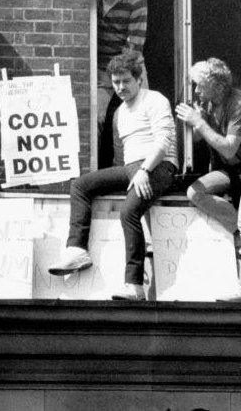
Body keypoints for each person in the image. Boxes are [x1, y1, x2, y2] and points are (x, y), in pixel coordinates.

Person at [47, 50, 176, 301]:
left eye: (126, 81)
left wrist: (144, 171)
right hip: (132, 169)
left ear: (139, 79)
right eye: (116, 82)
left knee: (129, 211)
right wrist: (132, 174)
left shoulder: (155, 100)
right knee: (81, 185)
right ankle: (76, 249)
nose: (121, 87)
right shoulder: (119, 113)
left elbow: (164, 141)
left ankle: (134, 286)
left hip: (159, 167)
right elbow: (121, 156)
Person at [175, 58, 241, 303]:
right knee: (195, 193)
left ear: (217, 85)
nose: (196, 91)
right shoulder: (209, 103)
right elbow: (204, 141)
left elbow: (229, 149)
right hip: (231, 171)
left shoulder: (240, 103)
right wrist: (196, 122)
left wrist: (199, 122)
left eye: (200, 85)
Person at [92, 0, 148, 169]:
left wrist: (121, 80)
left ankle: (137, 169)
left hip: (130, 63)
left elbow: (133, 47)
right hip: (99, 65)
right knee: (95, 118)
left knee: (137, 117)